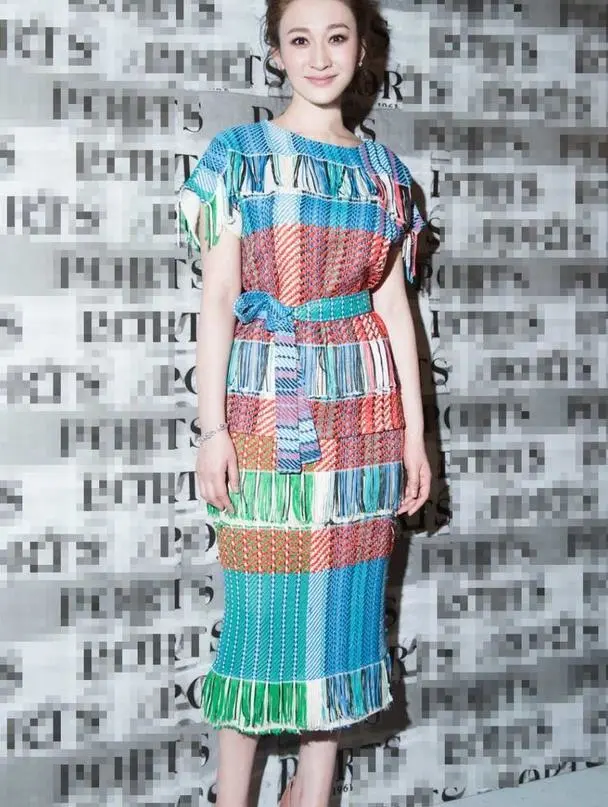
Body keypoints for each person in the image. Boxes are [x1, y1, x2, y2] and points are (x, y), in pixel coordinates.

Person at [177, 0, 432, 804]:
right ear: (277, 51)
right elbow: (220, 298)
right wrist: (212, 429)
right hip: (265, 402)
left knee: (344, 620)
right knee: (261, 622)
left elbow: (393, 309)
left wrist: (415, 437)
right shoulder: (239, 156)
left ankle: (312, 790)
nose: (319, 57)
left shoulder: (386, 175)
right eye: (299, 39)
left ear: (362, 48)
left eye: (336, 37)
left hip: (364, 413)